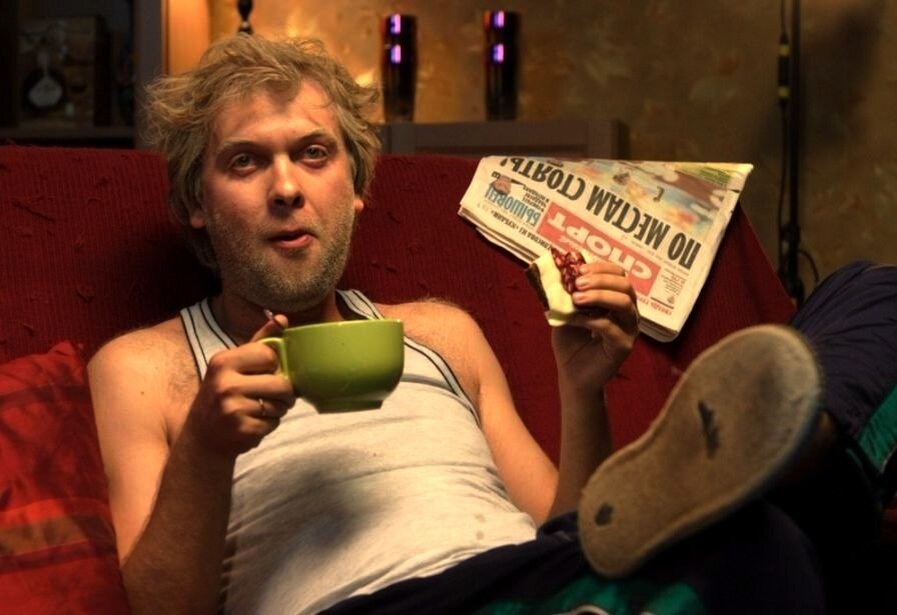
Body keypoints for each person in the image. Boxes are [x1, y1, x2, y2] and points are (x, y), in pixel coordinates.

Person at [87, 34, 896, 614]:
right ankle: (785, 460)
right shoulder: (149, 369)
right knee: (776, 540)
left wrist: (583, 389)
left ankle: (800, 438)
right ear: (196, 204)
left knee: (873, 298)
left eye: (313, 153)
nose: (287, 187)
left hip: (534, 580)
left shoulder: (439, 332)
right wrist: (207, 447)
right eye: (245, 161)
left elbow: (570, 529)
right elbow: (163, 606)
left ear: (357, 187)